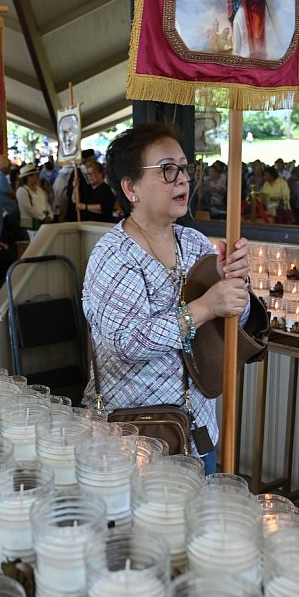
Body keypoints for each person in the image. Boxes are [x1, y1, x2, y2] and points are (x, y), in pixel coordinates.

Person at [82, 123, 251, 475]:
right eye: (167, 170)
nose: (183, 180)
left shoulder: (194, 243)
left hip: (197, 426)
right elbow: (126, 342)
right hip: (137, 434)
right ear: (131, 188)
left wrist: (235, 287)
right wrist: (204, 306)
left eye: (186, 168)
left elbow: (230, 324)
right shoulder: (114, 256)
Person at [16, 164, 53, 238]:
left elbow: (46, 204)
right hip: (30, 224)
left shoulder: (39, 190)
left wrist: (50, 215)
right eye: (32, 175)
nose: (36, 176)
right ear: (27, 178)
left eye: (36, 174)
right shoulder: (22, 191)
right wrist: (42, 217)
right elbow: (28, 208)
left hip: (43, 222)